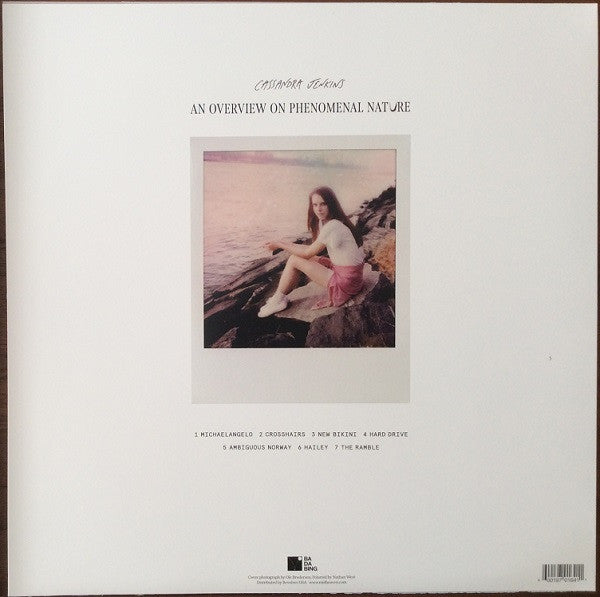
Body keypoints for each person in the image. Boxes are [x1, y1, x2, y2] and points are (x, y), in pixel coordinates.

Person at [258, 186, 364, 318]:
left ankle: (278, 300)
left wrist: (279, 245)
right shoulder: (332, 222)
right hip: (352, 277)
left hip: (346, 282)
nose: (318, 209)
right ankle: (279, 297)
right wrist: (282, 242)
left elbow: (307, 253)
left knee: (294, 260)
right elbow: (309, 250)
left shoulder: (332, 226)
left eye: (323, 204)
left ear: (331, 204)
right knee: (297, 256)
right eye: (315, 205)